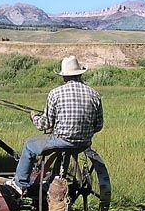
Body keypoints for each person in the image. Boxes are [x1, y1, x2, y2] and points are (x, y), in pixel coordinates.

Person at [6, 55, 104, 195]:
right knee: (65, 147)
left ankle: (19, 183)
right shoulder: (94, 94)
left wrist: (34, 116)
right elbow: (99, 125)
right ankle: (55, 179)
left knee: (29, 145)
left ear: (64, 77)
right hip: (84, 143)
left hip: (61, 141)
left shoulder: (55, 93)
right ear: (80, 74)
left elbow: (44, 124)